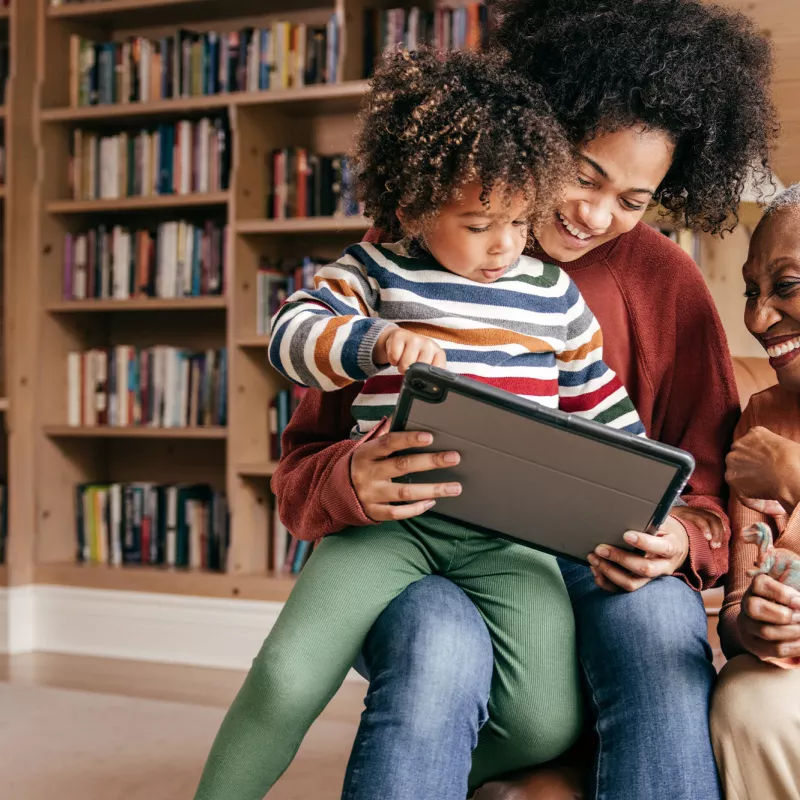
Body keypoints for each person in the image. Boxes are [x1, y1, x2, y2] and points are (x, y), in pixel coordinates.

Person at [273, 1, 778, 798]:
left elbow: (711, 486)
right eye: (583, 173)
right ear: (542, 130)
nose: (594, 213)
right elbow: (301, 469)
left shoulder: (664, 283)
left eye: (634, 200)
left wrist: (682, 540)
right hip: (426, 554)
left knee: (659, 623)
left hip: (597, 566)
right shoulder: (415, 249)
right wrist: (353, 478)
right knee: (439, 641)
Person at [195, 47, 648, 800]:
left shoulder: (557, 297)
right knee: (286, 674)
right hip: (390, 525)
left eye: (517, 219)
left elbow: (602, 409)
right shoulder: (376, 270)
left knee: (544, 722)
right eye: (478, 223)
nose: (505, 244)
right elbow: (291, 334)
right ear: (412, 206)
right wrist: (371, 340)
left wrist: (641, 497)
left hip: (510, 536)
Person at [712, 185, 800, 800]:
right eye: (751, 291)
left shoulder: (775, 453)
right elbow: (735, 614)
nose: (757, 317)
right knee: (745, 696)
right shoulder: (761, 421)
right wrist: (759, 628)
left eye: (786, 286)